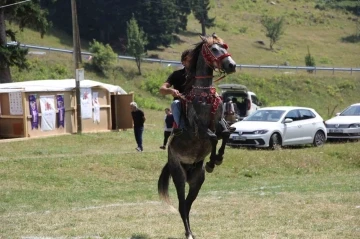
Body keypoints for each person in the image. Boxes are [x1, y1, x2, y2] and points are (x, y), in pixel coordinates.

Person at [159, 49, 191, 136]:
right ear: (183, 62)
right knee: (175, 103)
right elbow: (162, 89)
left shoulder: (200, 75)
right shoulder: (176, 74)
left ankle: (221, 125)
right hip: (182, 103)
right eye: (190, 60)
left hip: (197, 102)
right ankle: (180, 128)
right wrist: (170, 90)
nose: (193, 62)